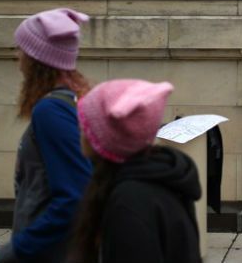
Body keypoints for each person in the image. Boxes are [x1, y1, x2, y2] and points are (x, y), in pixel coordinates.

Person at [0, 8, 92, 263]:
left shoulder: (52, 111)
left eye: (21, 50)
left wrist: (16, 250)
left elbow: (75, 196)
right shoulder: (74, 101)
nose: (18, 58)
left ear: (35, 58)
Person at [71, 79, 202, 263]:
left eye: (85, 125)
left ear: (105, 138)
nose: (80, 131)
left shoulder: (130, 203)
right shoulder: (155, 178)